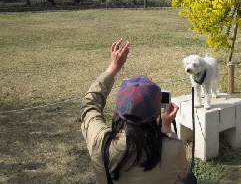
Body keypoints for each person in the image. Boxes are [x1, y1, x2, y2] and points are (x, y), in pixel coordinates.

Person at [81, 39, 190, 184]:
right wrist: (166, 128)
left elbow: (89, 105)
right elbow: (183, 173)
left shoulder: (100, 141)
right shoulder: (172, 149)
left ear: (119, 109)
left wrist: (113, 67)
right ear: (155, 113)